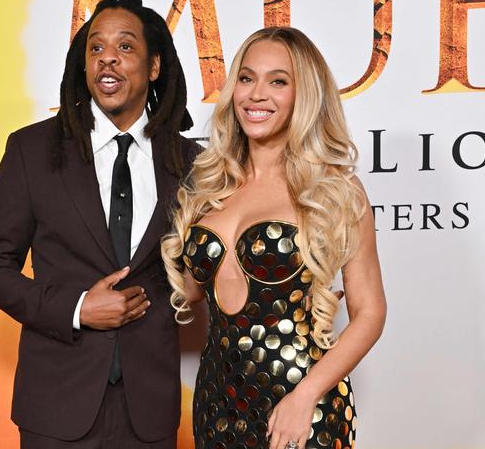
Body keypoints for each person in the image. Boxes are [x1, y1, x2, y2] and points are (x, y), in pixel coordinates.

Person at [0, 0, 200, 448]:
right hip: (56, 405)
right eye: (95, 48)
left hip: (149, 411)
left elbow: (213, 269)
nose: (107, 57)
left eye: (125, 47)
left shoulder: (190, 161)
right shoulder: (32, 151)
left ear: (155, 67)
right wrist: (77, 309)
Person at [162, 27, 387, 449]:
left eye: (278, 81)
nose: (256, 94)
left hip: (302, 402)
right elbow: (191, 293)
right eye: (246, 79)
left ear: (304, 94)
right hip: (217, 402)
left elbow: (370, 313)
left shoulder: (333, 189)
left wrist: (305, 398)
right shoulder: (210, 186)